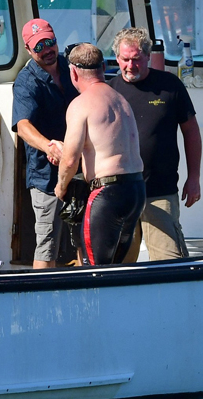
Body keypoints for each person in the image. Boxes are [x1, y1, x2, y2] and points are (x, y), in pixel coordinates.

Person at [107, 27, 202, 262]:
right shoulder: (109, 91)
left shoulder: (171, 86)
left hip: (160, 191)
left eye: (136, 59)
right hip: (120, 193)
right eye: (125, 59)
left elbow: (191, 132)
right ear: (117, 58)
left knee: (171, 263)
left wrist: (194, 178)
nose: (130, 66)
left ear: (148, 56)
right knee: (117, 267)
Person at [54, 43, 145, 265]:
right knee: (117, 266)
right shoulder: (120, 100)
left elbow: (69, 160)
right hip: (135, 189)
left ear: (73, 72)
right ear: (103, 67)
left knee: (94, 268)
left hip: (107, 194)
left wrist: (61, 187)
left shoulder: (81, 104)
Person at [12, 18, 79, 268]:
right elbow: (23, 126)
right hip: (46, 176)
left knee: (84, 239)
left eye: (50, 43)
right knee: (47, 242)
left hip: (81, 169)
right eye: (39, 46)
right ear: (29, 50)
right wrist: (49, 146)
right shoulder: (26, 81)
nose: (47, 50)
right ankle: (42, 299)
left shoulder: (72, 67)